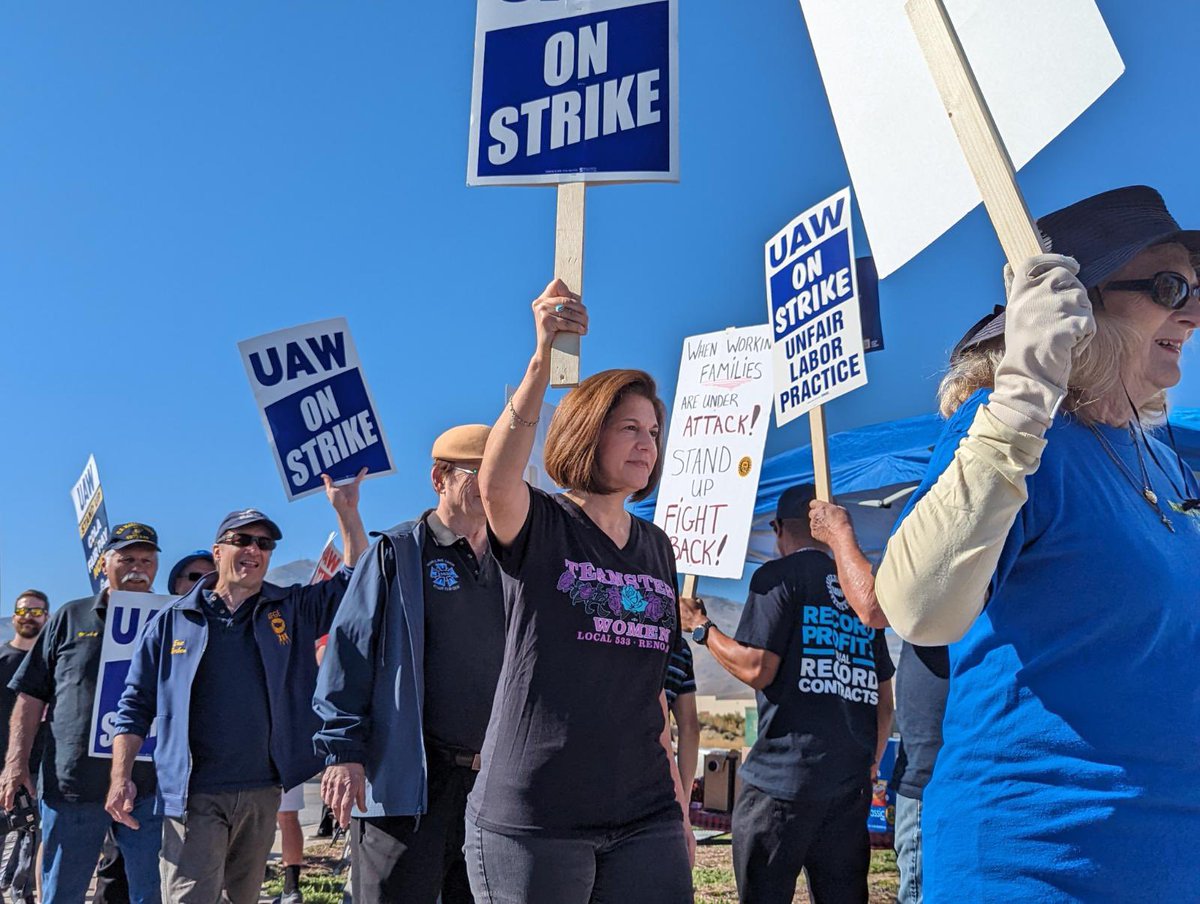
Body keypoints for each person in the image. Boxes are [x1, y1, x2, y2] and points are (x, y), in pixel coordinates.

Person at [869, 186, 1200, 900]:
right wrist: (1024, 394)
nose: (1195, 313)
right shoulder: (1015, 433)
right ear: (1083, 302)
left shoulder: (1166, 461)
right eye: (1171, 286)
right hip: (1037, 867)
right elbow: (917, 607)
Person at [463, 280, 693, 904]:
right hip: (536, 818)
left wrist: (677, 803)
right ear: (588, 433)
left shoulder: (658, 548)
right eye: (628, 428)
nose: (647, 443)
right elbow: (494, 481)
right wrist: (543, 357)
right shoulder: (542, 523)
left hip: (645, 813)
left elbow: (653, 692)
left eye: (652, 430)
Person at [107, 473, 367, 904]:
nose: (254, 550)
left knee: (242, 899)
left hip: (263, 790)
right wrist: (121, 777)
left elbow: (356, 579)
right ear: (217, 551)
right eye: (242, 540)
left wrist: (346, 509)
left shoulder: (291, 608)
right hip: (194, 794)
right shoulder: (171, 621)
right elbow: (133, 705)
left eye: (264, 544)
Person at [315, 424, 505, 904]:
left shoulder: (512, 564)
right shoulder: (397, 552)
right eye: (478, 472)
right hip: (407, 783)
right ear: (439, 477)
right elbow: (348, 655)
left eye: (501, 472)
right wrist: (344, 754)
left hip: (491, 789)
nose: (492, 484)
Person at [681, 484, 893, 904]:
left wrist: (702, 629)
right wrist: (869, 760)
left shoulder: (777, 578)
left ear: (778, 528)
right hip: (848, 784)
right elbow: (884, 700)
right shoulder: (861, 592)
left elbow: (758, 667)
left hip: (782, 784)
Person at [1, 524, 164, 904]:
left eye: (146, 560)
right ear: (104, 564)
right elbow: (30, 696)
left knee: (149, 894)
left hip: (147, 786)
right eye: (126, 559)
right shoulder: (70, 617)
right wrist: (15, 764)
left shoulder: (171, 617)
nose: (137, 568)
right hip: (73, 785)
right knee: (62, 893)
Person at [0, 591, 49, 904]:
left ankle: (23, 892)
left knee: (36, 834)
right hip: (3, 763)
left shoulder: (52, 662)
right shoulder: (2, 661)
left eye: (37, 611)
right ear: (15, 615)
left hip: (44, 764)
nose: (29, 615)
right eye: (23, 610)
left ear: (46, 616)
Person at [664, 634, 700, 792]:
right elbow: (689, 728)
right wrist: (683, 798)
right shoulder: (678, 646)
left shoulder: (590, 630)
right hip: (654, 782)